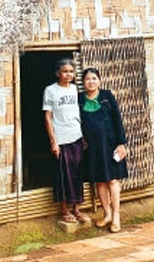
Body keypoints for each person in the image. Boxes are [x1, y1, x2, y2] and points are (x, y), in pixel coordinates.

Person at [79, 68, 128, 233]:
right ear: (83, 82)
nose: (91, 82)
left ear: (99, 81)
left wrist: (121, 143)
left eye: (94, 78)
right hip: (92, 147)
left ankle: (116, 217)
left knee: (113, 180)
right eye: (87, 79)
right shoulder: (80, 100)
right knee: (100, 180)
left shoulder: (107, 96)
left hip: (110, 144)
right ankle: (106, 214)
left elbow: (117, 120)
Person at [42, 59, 89, 223]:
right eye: (65, 71)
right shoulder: (50, 90)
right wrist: (53, 141)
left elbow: (79, 113)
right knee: (63, 174)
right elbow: (48, 117)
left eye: (71, 71)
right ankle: (64, 210)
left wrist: (83, 136)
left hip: (76, 136)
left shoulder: (75, 89)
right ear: (58, 73)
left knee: (77, 173)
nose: (68, 74)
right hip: (61, 138)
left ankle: (76, 209)